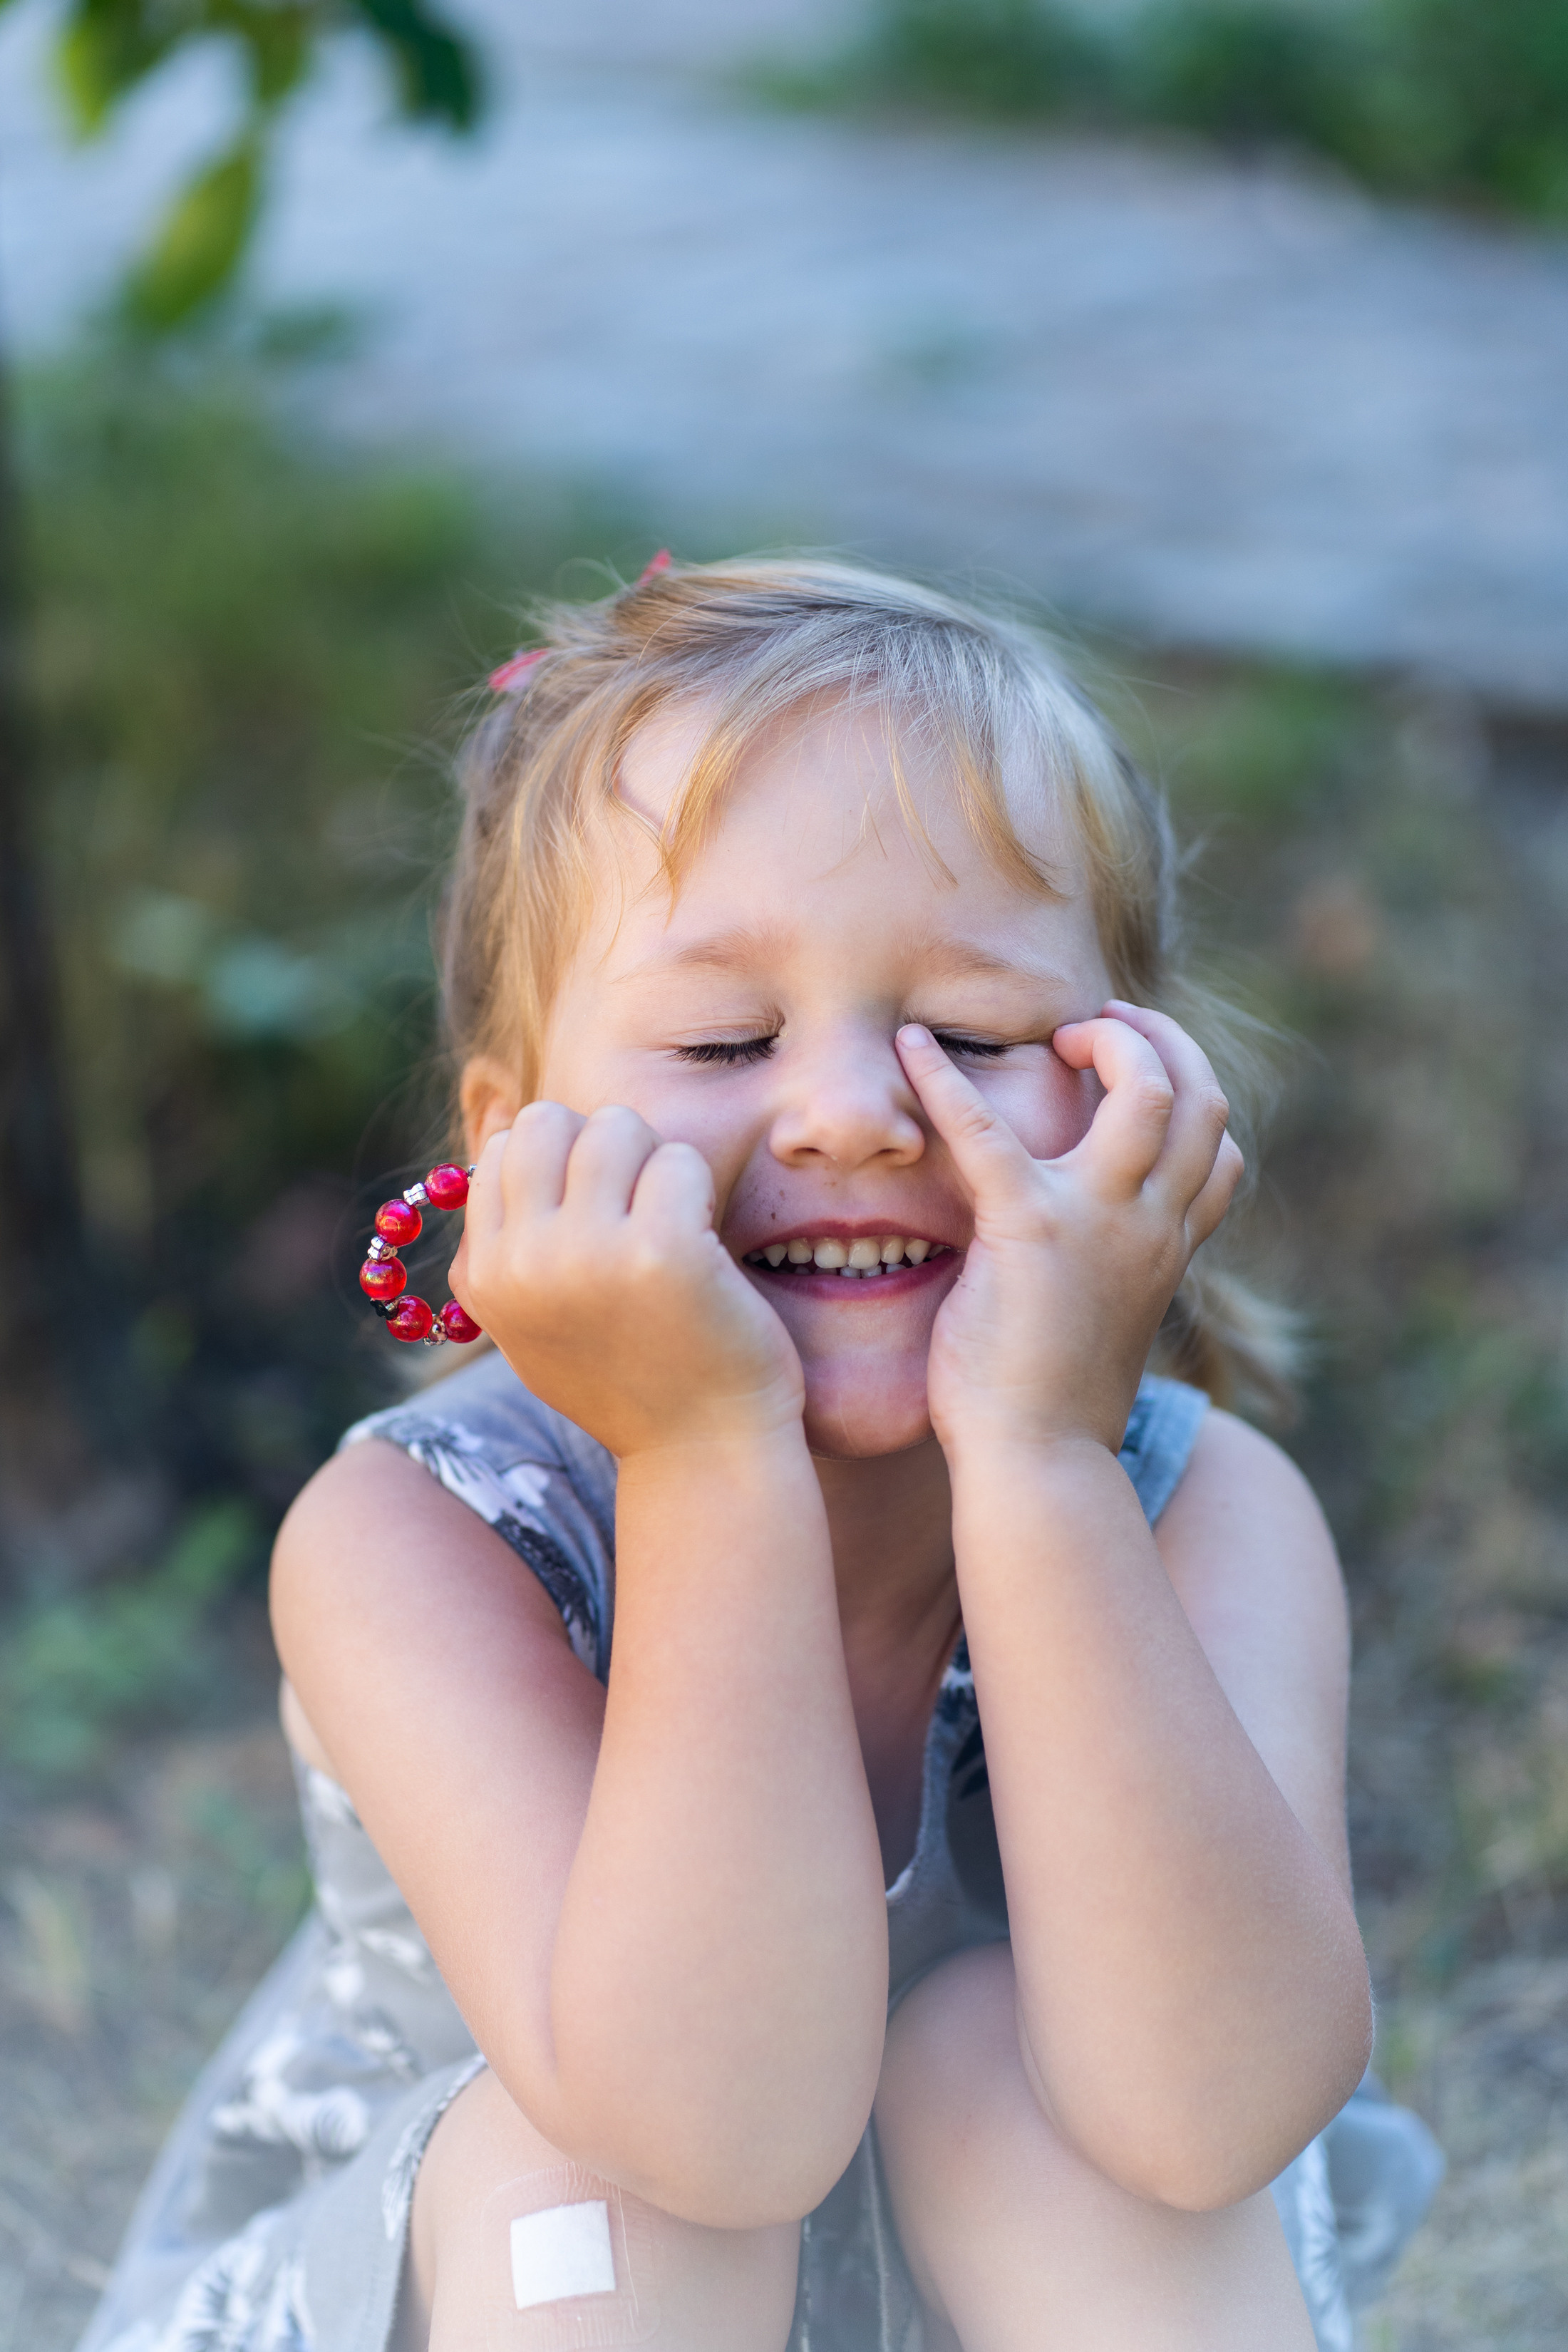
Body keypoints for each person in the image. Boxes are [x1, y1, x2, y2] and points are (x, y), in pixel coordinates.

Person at [79, 559, 1442, 2352]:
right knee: (596, 2199)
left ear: (1141, 1089)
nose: (855, 1113)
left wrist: (1035, 1460)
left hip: (1035, 2273)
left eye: (972, 1037)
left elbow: (1210, 2118)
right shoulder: (418, 1541)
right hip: (557, 2285)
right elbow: (707, 2131)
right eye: (724, 1038)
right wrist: (710, 1452)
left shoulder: (1202, 1513)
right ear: (513, 1140)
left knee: (1024, 2086)